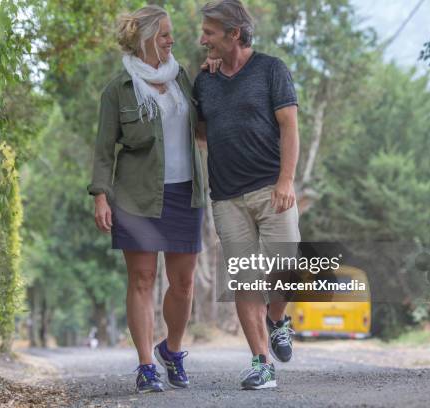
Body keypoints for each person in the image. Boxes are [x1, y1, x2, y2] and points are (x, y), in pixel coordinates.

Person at [87, 5, 207, 394]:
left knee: (184, 282)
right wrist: (101, 196)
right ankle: (145, 366)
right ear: (145, 40)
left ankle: (171, 350)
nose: (172, 40)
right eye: (165, 34)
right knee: (142, 278)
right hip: (136, 196)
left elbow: (203, 124)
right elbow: (104, 150)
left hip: (184, 192)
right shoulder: (117, 90)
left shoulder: (183, 78)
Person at [194, 0, 301, 390]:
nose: (202, 38)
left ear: (233, 34)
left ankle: (277, 319)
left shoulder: (271, 70)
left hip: (272, 190)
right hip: (226, 197)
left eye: (209, 32)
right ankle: (261, 363)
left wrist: (286, 181)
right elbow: (201, 130)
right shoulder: (204, 79)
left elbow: (289, 126)